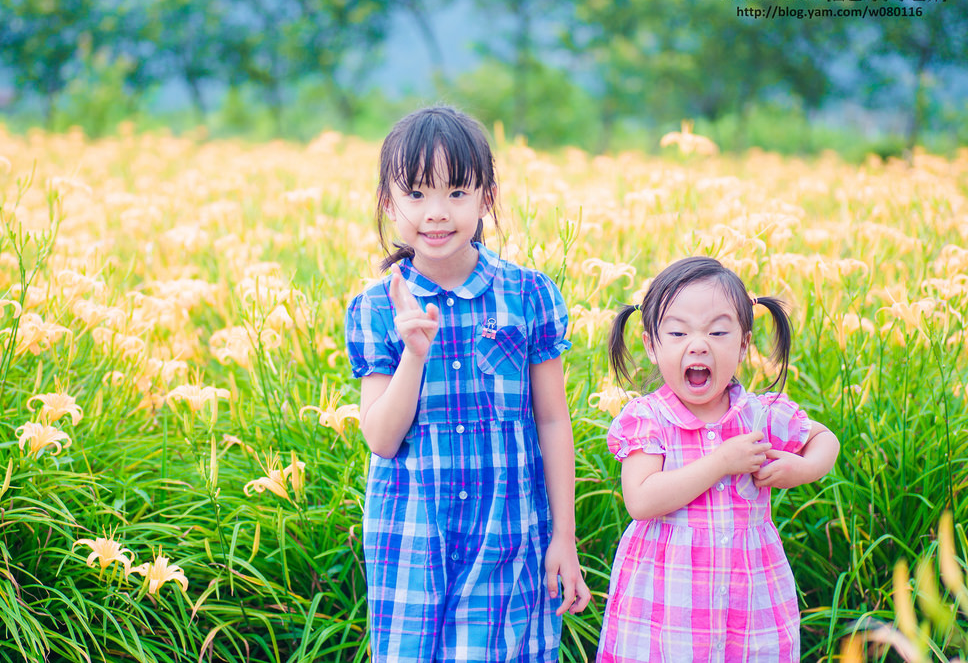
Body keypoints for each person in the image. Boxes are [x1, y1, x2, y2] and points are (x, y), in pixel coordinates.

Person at [345, 106, 590, 662]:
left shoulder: (528, 294)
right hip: (411, 538)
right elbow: (381, 439)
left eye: (457, 193)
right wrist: (414, 354)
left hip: (510, 537)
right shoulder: (376, 307)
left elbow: (552, 420)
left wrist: (564, 538)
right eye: (416, 195)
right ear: (389, 202)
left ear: (487, 198)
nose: (436, 213)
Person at [597, 256, 839, 662]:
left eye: (718, 331)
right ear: (651, 346)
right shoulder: (649, 418)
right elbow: (640, 500)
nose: (698, 344)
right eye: (677, 332)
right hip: (667, 606)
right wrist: (721, 462)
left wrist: (805, 467)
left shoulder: (759, 413)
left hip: (750, 603)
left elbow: (824, 439)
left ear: (743, 345)